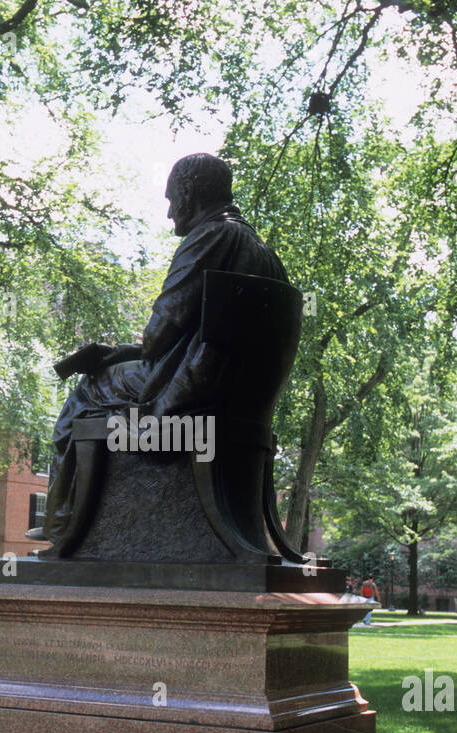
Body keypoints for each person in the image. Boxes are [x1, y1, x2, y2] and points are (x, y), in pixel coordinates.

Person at [29, 153, 289, 545]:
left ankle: (65, 523)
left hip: (191, 392)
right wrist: (125, 353)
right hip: (236, 397)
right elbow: (195, 338)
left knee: (85, 392)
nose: (170, 214)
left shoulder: (210, 236)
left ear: (188, 194)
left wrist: (130, 352)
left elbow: (161, 330)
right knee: (112, 372)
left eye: (171, 199)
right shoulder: (263, 251)